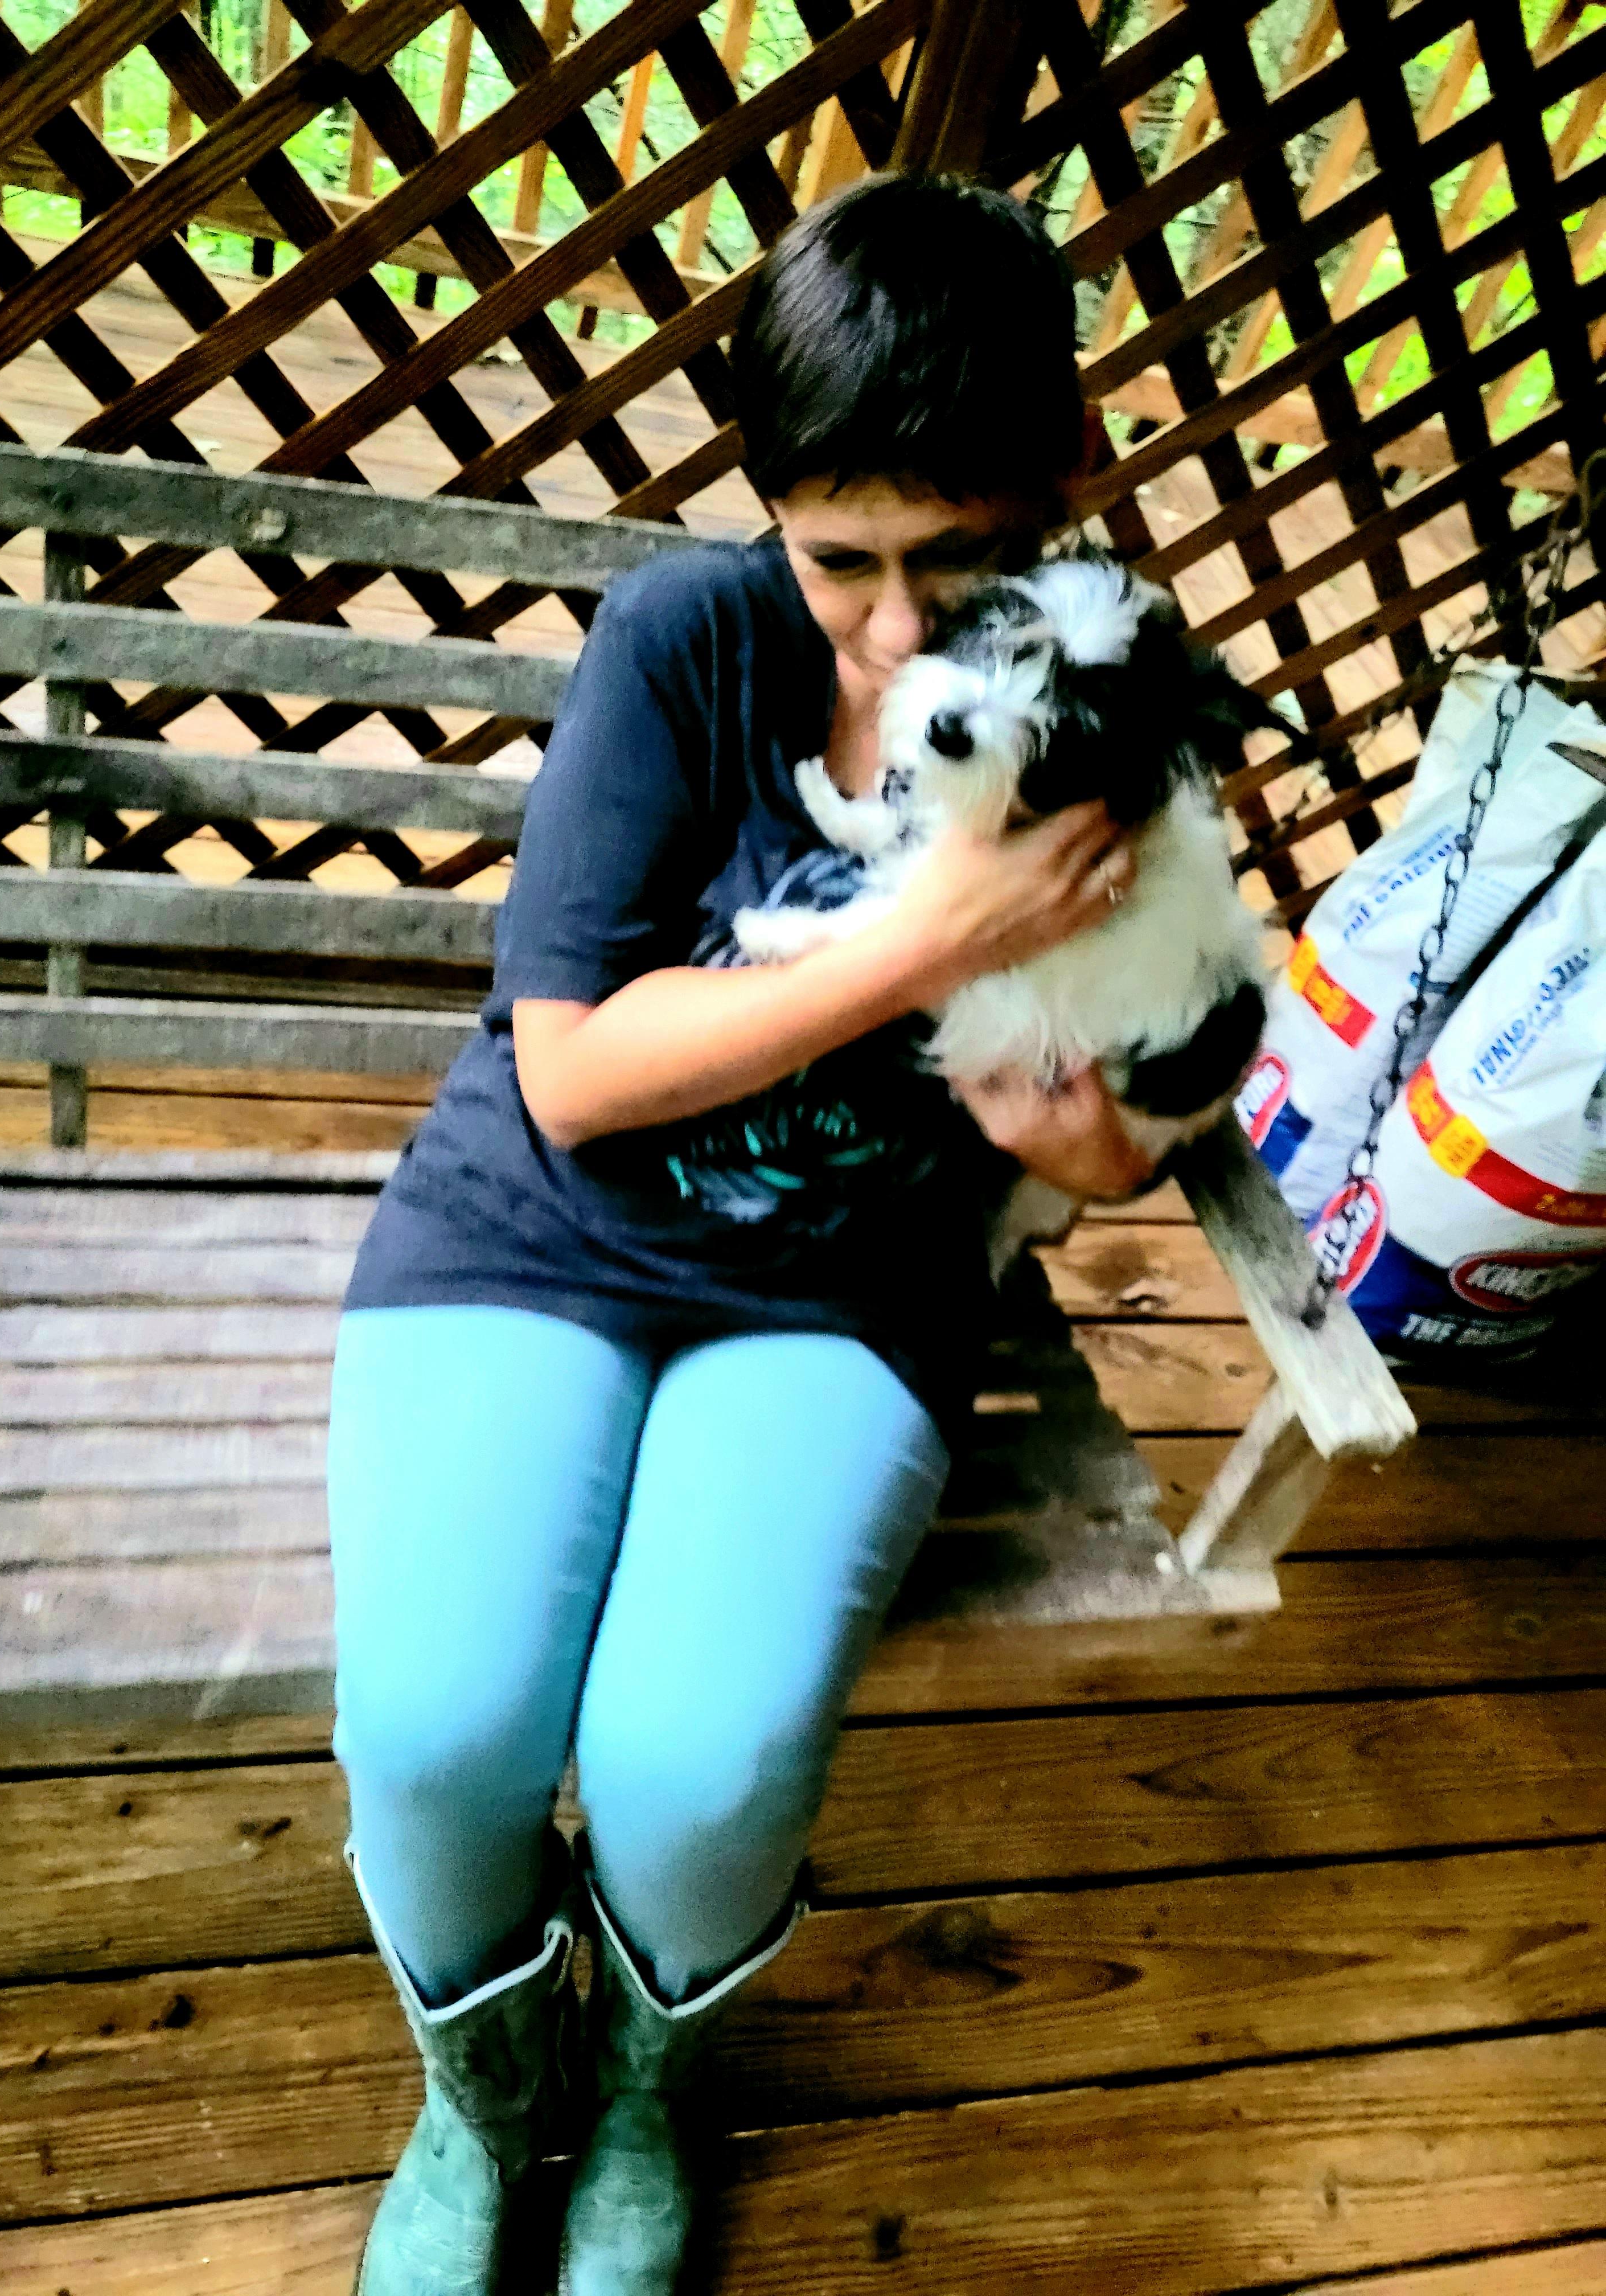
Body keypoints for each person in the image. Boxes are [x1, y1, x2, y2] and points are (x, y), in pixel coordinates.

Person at [326, 171, 1152, 2296]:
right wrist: (927, 938)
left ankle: (638, 2105)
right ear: (767, 508)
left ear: (1062, 487)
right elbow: (579, 1069)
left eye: (958, 561)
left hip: (841, 1291)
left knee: (692, 1759)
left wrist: (1064, 1111)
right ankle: (479, 2095)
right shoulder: (683, 640)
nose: (890, 624)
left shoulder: (1101, 705)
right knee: (438, 1724)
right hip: (536, 1234)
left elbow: (1126, 1138)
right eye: (840, 556)